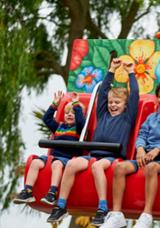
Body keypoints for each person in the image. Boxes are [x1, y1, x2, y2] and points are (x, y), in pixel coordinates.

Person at [47, 57, 139, 225]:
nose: (112, 105)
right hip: (94, 153)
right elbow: (103, 92)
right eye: (111, 102)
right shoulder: (103, 114)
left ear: (125, 105)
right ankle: (60, 205)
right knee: (72, 164)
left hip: (112, 156)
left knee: (97, 167)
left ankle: (103, 207)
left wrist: (131, 73)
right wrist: (111, 71)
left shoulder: (127, 117)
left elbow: (134, 96)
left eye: (117, 102)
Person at [101, 80, 160, 228]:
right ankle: (116, 214)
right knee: (120, 168)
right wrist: (140, 148)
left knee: (151, 168)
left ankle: (146, 215)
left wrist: (158, 150)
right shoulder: (152, 117)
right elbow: (142, 135)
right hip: (146, 156)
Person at [13, 91, 85, 205]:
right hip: (52, 157)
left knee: (57, 164)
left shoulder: (79, 129)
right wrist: (54, 105)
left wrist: (76, 104)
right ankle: (28, 191)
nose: (69, 114)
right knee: (36, 162)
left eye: (73, 113)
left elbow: (81, 121)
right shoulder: (59, 127)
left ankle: (52, 193)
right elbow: (47, 119)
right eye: (67, 113)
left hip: (67, 159)